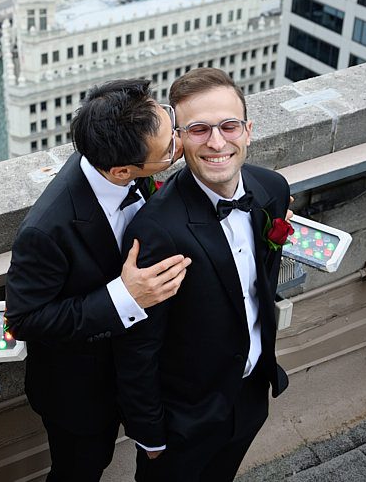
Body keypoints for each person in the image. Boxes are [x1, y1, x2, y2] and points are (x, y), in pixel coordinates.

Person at [6, 79, 191, 481]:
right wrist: (123, 297)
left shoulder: (125, 158)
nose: (179, 141)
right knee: (83, 470)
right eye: (169, 148)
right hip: (81, 390)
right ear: (123, 170)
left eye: (169, 121)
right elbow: (24, 320)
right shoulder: (45, 229)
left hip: (144, 368)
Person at [116, 68, 291, 482]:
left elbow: (259, 288)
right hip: (184, 420)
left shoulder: (273, 190)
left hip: (249, 395)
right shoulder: (156, 229)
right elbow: (138, 345)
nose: (217, 142)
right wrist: (150, 434)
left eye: (229, 126)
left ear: (248, 130)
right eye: (198, 130)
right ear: (178, 140)